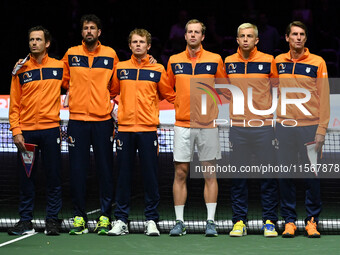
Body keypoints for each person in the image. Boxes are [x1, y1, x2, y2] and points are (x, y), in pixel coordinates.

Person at [107, 28, 176, 236]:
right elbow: (112, 92)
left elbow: (169, 95)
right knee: (123, 177)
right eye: (135, 42)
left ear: (149, 46)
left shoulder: (158, 69)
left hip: (147, 130)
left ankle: (151, 220)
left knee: (150, 177)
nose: (138, 45)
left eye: (142, 42)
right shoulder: (120, 68)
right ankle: (120, 220)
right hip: (125, 130)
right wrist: (118, 107)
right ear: (130, 45)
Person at [167, 19, 226, 237]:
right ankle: (179, 222)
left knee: (209, 172)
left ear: (203, 36)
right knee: (180, 172)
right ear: (184, 36)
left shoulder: (214, 59)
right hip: (182, 124)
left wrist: (209, 106)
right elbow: (166, 87)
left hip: (207, 125)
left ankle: (210, 221)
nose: (193, 35)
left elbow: (223, 86)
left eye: (197, 32)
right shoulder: (174, 60)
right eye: (189, 32)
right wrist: (180, 102)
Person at [62, 14, 119, 235]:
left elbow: (115, 86)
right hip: (77, 121)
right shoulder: (71, 53)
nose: (88, 31)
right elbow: (65, 80)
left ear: (99, 32)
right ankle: (79, 217)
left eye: (92, 28)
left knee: (105, 170)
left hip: (103, 121)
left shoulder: (110, 54)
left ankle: (105, 216)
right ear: (82, 32)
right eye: (85, 28)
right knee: (77, 171)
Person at [8, 26, 66, 236]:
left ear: (47, 43)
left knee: (53, 177)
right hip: (27, 133)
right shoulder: (20, 70)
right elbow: (14, 104)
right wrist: (16, 131)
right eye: (31, 39)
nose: (34, 43)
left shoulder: (60, 67)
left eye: (38, 39)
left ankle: (52, 220)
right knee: (27, 178)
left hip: (51, 131)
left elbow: (79, 83)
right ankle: (25, 221)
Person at [275, 21, 330, 238]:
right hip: (284, 127)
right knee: (285, 176)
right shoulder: (278, 62)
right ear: (287, 38)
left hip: (310, 128)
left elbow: (324, 97)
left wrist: (322, 129)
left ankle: (311, 221)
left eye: (302, 34)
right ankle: (289, 221)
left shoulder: (318, 62)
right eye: (294, 34)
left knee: (312, 177)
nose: (298, 38)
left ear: (306, 38)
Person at [224, 23, 279, 237]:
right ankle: (239, 221)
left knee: (268, 177)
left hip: (264, 128)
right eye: (242, 36)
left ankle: (269, 222)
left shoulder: (268, 61)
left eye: (250, 36)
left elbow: (277, 87)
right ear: (237, 40)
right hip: (237, 128)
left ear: (257, 40)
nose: (245, 39)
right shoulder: (228, 62)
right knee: (238, 178)